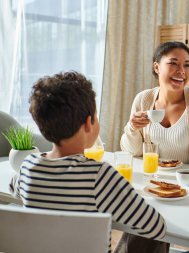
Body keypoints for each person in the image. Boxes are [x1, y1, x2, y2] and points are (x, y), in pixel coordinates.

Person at [9, 71, 167, 253]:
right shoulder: (100, 176)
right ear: (88, 123)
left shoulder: (28, 167)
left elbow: (14, 189)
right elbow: (155, 227)